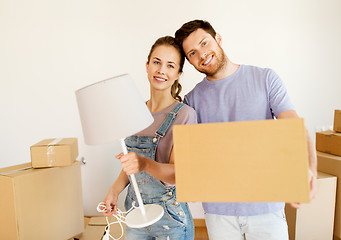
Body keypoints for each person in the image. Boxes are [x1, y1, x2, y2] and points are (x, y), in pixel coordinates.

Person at [175, 20, 317, 240]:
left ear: (218, 39)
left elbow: (293, 126)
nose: (202, 54)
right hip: (218, 212)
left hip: (267, 207)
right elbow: (193, 155)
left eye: (205, 43)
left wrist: (309, 169)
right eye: (193, 53)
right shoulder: (192, 100)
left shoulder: (265, 78)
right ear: (189, 61)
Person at [102, 36, 197, 240]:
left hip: (171, 221)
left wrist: (144, 163)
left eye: (170, 65)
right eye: (156, 62)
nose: (161, 70)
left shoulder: (185, 115)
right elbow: (131, 167)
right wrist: (114, 191)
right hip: (135, 214)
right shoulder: (134, 113)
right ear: (147, 66)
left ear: (178, 73)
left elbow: (178, 174)